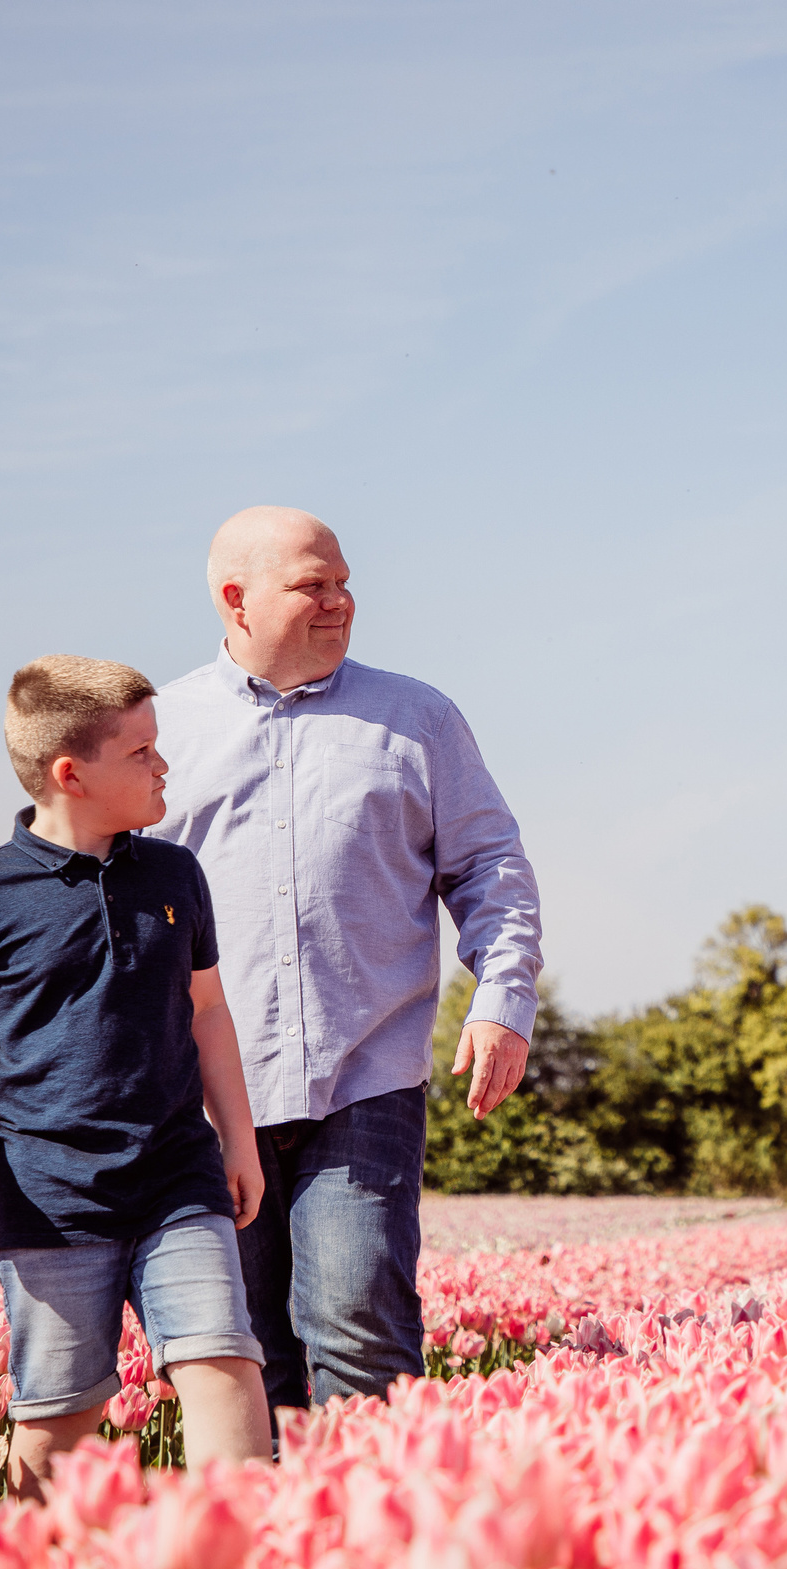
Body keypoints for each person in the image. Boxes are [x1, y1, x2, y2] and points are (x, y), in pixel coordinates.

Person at [150, 506, 543, 1416]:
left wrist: (502, 998)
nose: (340, 601)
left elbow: (490, 864)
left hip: (366, 1074)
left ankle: (372, 1507)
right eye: (312, 585)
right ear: (237, 599)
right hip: (205, 1091)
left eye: (344, 582)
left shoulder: (419, 719)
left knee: (359, 1329)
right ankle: (268, 1510)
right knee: (240, 1353)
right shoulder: (161, 727)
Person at [0, 655, 271, 1497]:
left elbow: (208, 1011)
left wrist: (237, 1141)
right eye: (140, 751)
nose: (163, 764)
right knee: (61, 1412)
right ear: (71, 774)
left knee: (221, 1360)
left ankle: (243, 1551)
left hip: (178, 1176)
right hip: (51, 1197)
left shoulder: (175, 875)